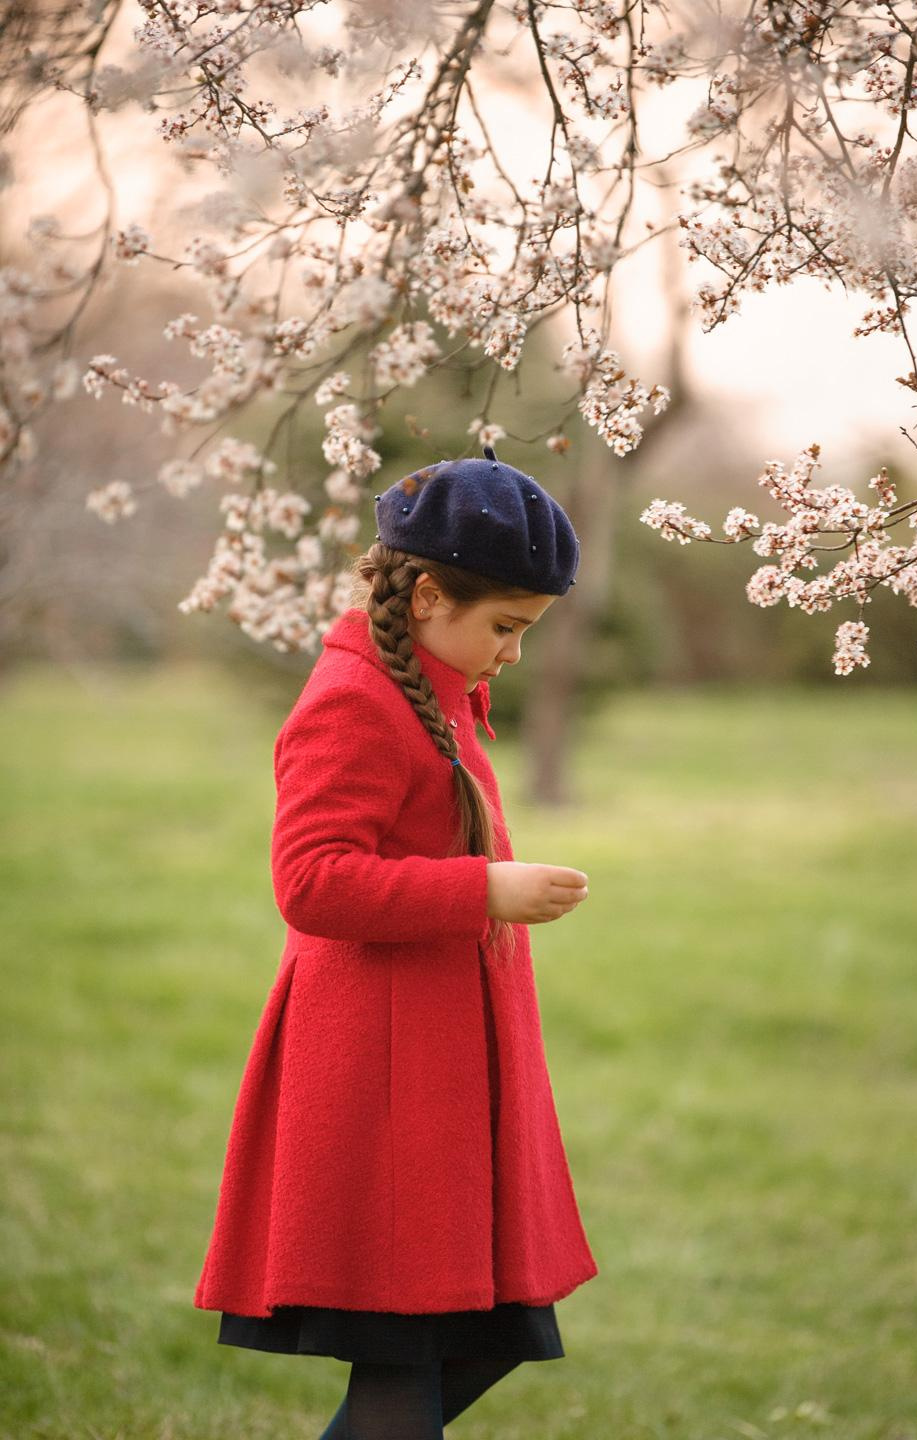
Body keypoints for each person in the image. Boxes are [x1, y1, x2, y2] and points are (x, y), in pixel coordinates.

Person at [193, 446, 598, 1438]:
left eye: (525, 631)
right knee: (403, 1361)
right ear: (424, 597)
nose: (513, 652)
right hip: (382, 1092)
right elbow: (311, 882)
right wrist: (484, 889)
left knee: (488, 1332)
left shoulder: (437, 690)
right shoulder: (353, 701)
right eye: (503, 627)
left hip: (437, 1080)